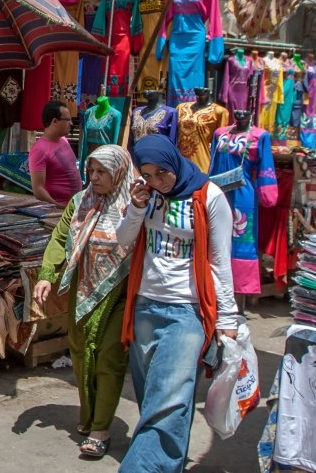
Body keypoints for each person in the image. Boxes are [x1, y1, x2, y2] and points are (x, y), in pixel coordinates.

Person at [121, 134, 240, 473]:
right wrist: (136, 209)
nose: (158, 182)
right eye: (149, 175)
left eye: (163, 173)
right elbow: (123, 239)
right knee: (155, 398)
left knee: (168, 401)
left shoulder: (209, 196)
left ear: (174, 162)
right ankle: (165, 463)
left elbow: (219, 260)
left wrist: (227, 318)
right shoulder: (146, 196)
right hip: (145, 305)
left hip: (187, 311)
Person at [33, 145, 140, 459]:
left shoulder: (134, 208)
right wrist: (46, 274)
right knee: (80, 355)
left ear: (118, 172)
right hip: (82, 292)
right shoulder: (80, 202)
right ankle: (89, 415)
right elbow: (59, 237)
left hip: (119, 294)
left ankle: (101, 428)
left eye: (101, 172)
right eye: (90, 171)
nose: (93, 178)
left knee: (108, 357)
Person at [30, 100, 82, 207]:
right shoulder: (39, 150)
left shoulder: (63, 139)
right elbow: (38, 189)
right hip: (59, 212)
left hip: (75, 206)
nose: (71, 124)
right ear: (54, 121)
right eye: (68, 120)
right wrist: (57, 206)